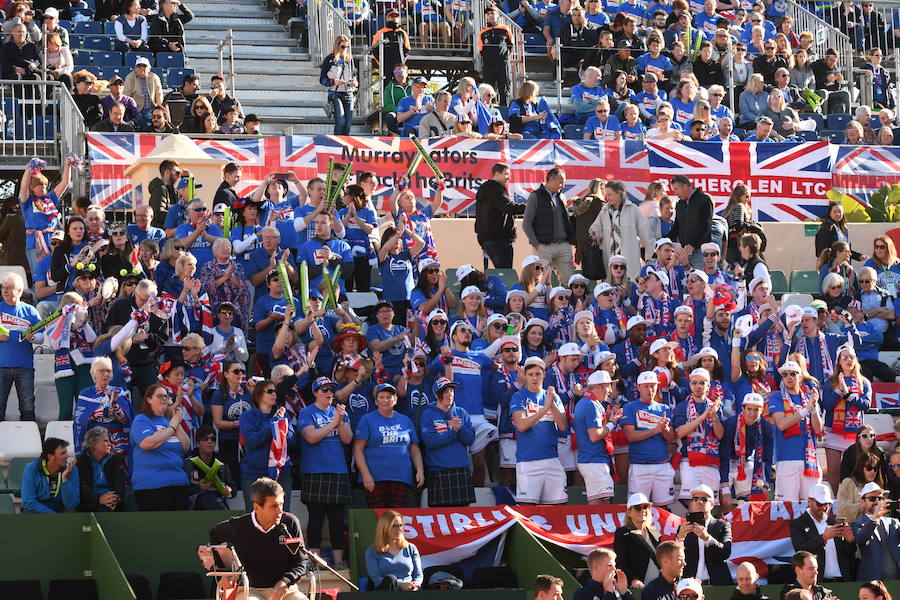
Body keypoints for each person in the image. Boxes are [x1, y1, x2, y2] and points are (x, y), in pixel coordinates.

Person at [209, 477, 308, 600]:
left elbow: (301, 561)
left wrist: (285, 581)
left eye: (281, 504)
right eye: (273, 506)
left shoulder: (290, 522)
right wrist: (224, 574)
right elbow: (214, 534)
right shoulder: (237, 526)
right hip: (250, 591)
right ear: (256, 507)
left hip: (287, 590)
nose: (280, 511)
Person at [298, 376, 352, 569]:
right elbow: (311, 437)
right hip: (315, 470)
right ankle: (314, 561)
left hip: (338, 471)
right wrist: (334, 422)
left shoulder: (340, 412)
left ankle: (338, 561)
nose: (328, 393)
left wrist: (341, 420)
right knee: (316, 520)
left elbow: (347, 439)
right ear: (315, 393)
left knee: (337, 520)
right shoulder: (307, 412)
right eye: (324, 390)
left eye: (331, 389)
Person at [354, 383, 425, 508]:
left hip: (401, 477)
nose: (385, 400)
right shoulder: (367, 419)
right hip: (374, 478)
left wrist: (420, 470)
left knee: (397, 519)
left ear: (395, 400)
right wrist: (366, 475)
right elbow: (358, 449)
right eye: (381, 397)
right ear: (376, 401)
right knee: (378, 520)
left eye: (389, 397)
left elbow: (414, 449)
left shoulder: (405, 420)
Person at [510, 357, 569, 505]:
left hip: (552, 459)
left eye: (538, 374)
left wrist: (552, 404)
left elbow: (563, 426)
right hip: (528, 462)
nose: (534, 378)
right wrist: (545, 409)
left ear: (544, 375)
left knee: (558, 509)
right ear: (525, 375)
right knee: (526, 510)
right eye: (530, 374)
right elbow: (522, 425)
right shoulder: (519, 396)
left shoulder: (552, 397)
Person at [130, 383, 191, 510]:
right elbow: (148, 443)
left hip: (179, 484)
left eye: (166, 396)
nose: (164, 398)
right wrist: (172, 427)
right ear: (149, 399)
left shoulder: (169, 422)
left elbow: (186, 446)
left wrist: (176, 421)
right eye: (160, 396)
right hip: (152, 486)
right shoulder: (141, 419)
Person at [622, 371, 677, 506]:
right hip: (640, 465)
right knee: (637, 507)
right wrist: (655, 430)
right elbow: (631, 436)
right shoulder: (630, 407)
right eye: (646, 386)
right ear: (639, 387)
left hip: (662, 464)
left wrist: (664, 428)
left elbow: (671, 437)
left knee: (663, 507)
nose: (650, 390)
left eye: (653, 386)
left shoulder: (663, 408)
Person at [239, 379, 295, 512]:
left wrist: (282, 426)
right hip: (254, 473)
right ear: (258, 394)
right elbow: (253, 441)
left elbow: (292, 441)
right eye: (270, 391)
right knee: (254, 516)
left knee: (282, 515)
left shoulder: (283, 414)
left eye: (275, 391)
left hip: (281, 472)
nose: (274, 394)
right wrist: (273, 423)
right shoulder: (246, 417)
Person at [420, 377, 476, 507]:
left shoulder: (461, 412)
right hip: (438, 470)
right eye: (445, 391)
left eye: (451, 390)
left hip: (461, 469)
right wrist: (453, 432)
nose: (449, 394)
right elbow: (430, 441)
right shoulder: (428, 414)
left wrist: (460, 428)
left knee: (463, 517)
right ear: (436, 394)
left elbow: (470, 440)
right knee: (440, 516)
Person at [789, 483, 857, 582]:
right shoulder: (798, 524)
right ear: (809, 501)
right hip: (818, 581)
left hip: (842, 580)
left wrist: (850, 540)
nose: (824, 507)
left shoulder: (833, 523)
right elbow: (800, 552)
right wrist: (824, 538)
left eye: (827, 504)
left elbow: (849, 553)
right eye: (819, 504)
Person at [719, 393, 774, 510]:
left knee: (749, 503)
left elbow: (767, 456)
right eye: (749, 409)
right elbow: (724, 454)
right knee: (725, 501)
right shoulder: (731, 423)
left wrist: (766, 482)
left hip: (747, 461)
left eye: (756, 410)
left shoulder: (766, 426)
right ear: (743, 408)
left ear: (762, 410)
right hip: (727, 461)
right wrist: (724, 485)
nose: (752, 413)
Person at [0, 272, 42, 421]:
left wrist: (33, 337)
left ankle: (30, 440)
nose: (4, 291)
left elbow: (41, 337)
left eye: (8, 287)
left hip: (25, 366)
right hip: (1, 365)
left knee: (28, 408)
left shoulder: (30, 310)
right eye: (2, 287)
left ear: (19, 290)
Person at [523, 167, 574, 284]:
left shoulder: (562, 197)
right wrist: (536, 245)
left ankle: (569, 302)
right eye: (561, 182)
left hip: (563, 245)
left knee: (570, 281)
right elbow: (526, 223)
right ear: (551, 179)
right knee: (544, 281)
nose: (563, 185)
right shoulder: (535, 196)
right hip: (544, 246)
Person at [676, 483, 733, 584]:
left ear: (712, 505)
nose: (699, 502)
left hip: (716, 584)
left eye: (704, 499)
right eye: (695, 499)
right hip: (690, 585)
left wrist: (706, 537)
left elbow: (725, 553)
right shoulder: (684, 528)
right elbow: (676, 558)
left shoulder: (722, 526)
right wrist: (680, 538)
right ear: (691, 504)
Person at [475, 162, 524, 269]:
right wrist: (531, 207)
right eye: (506, 174)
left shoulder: (485, 190)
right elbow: (510, 207)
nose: (508, 178)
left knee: (498, 273)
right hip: (500, 240)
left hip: (487, 241)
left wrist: (482, 240)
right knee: (505, 274)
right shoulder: (496, 191)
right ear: (497, 174)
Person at [851, 482, 900, 581]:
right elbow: (861, 539)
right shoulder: (857, 524)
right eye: (872, 499)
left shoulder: (894, 522)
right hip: (873, 582)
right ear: (863, 502)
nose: (877, 501)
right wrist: (875, 517)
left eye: (880, 498)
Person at [365, 509, 423, 591]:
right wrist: (400, 584)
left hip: (411, 590)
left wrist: (415, 585)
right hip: (387, 592)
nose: (399, 529)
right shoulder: (372, 551)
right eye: (394, 526)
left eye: (400, 525)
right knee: (390, 579)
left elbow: (418, 575)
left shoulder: (411, 548)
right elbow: (377, 580)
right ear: (384, 528)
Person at [613, 493, 662, 588]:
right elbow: (620, 563)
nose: (643, 510)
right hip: (640, 587)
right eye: (637, 508)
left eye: (645, 507)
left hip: (659, 586)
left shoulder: (655, 532)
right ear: (629, 513)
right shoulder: (622, 533)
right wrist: (633, 580)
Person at [76, 427, 129, 512]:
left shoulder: (116, 460)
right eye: (105, 441)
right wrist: (99, 499)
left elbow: (119, 484)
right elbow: (82, 488)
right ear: (93, 443)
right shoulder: (81, 462)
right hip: (90, 505)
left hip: (113, 504)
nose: (109, 444)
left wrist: (116, 498)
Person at [21, 437, 79, 513]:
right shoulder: (32, 469)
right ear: (50, 457)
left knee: (71, 512)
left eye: (66, 452)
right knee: (28, 512)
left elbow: (71, 504)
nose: (67, 456)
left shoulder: (72, 470)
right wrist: (52, 515)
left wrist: (65, 480)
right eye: (62, 453)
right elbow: (28, 501)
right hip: (38, 508)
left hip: (61, 508)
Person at [184, 424, 234, 510]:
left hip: (218, 501)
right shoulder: (189, 462)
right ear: (198, 444)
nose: (209, 441)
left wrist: (228, 489)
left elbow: (233, 487)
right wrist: (199, 487)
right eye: (205, 439)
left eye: (213, 439)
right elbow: (181, 492)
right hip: (194, 505)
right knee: (203, 497)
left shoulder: (221, 462)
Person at [668, 175, 713, 270]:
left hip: (700, 252)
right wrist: (665, 240)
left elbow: (706, 225)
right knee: (685, 281)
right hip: (684, 252)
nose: (676, 193)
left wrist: (693, 244)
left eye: (676, 189)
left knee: (699, 280)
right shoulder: (680, 204)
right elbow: (677, 226)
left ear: (685, 186)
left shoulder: (704, 200)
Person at [324, 35, 357, 136]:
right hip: (335, 93)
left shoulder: (349, 60)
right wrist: (334, 81)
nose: (345, 49)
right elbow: (322, 79)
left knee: (347, 125)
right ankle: (336, 145)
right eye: (343, 47)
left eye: (347, 47)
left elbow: (354, 75)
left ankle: (343, 146)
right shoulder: (329, 59)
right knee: (340, 121)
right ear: (337, 46)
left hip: (349, 93)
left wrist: (355, 82)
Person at [480, 5, 512, 105]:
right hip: (488, 65)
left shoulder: (505, 29)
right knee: (488, 90)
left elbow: (511, 44)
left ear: (497, 15)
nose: (490, 15)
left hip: (502, 64)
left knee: (504, 89)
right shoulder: (483, 32)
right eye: (488, 13)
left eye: (493, 13)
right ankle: (489, 112)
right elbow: (480, 49)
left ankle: (505, 112)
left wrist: (505, 56)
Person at [123, 58, 163, 127]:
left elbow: (159, 95)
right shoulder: (130, 77)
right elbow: (126, 96)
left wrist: (159, 109)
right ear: (135, 68)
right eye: (139, 66)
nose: (141, 68)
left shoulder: (154, 77)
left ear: (149, 68)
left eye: (144, 66)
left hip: (152, 109)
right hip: (135, 109)